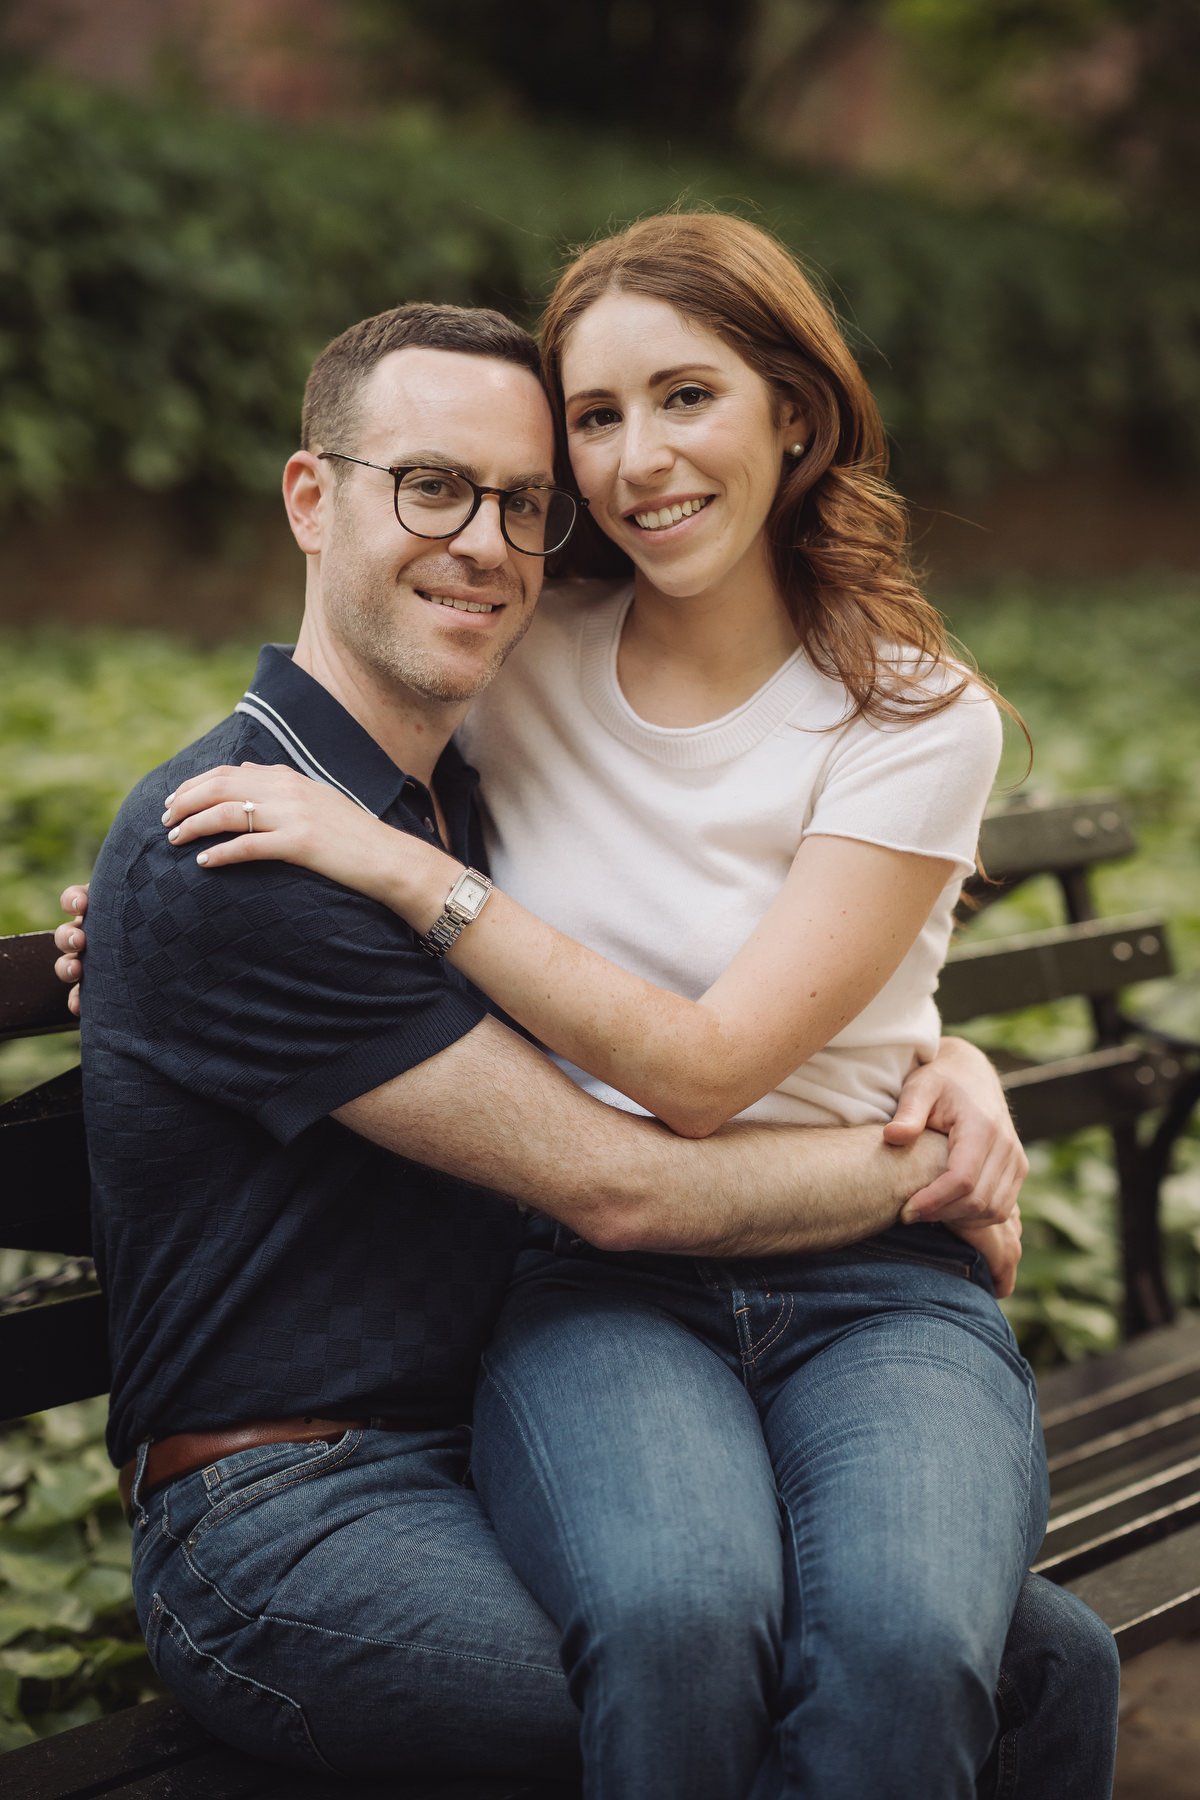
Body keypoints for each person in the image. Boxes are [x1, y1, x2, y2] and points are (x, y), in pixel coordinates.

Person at [57, 292, 1118, 1794]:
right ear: (312, 498)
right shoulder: (244, 857)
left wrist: (941, 1058)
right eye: (430, 485)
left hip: (502, 1421)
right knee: (732, 1683)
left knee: (1050, 1659)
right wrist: (924, 1165)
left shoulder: (454, 796)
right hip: (291, 1506)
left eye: (523, 506)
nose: (484, 542)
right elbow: (631, 1188)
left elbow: (711, 968)